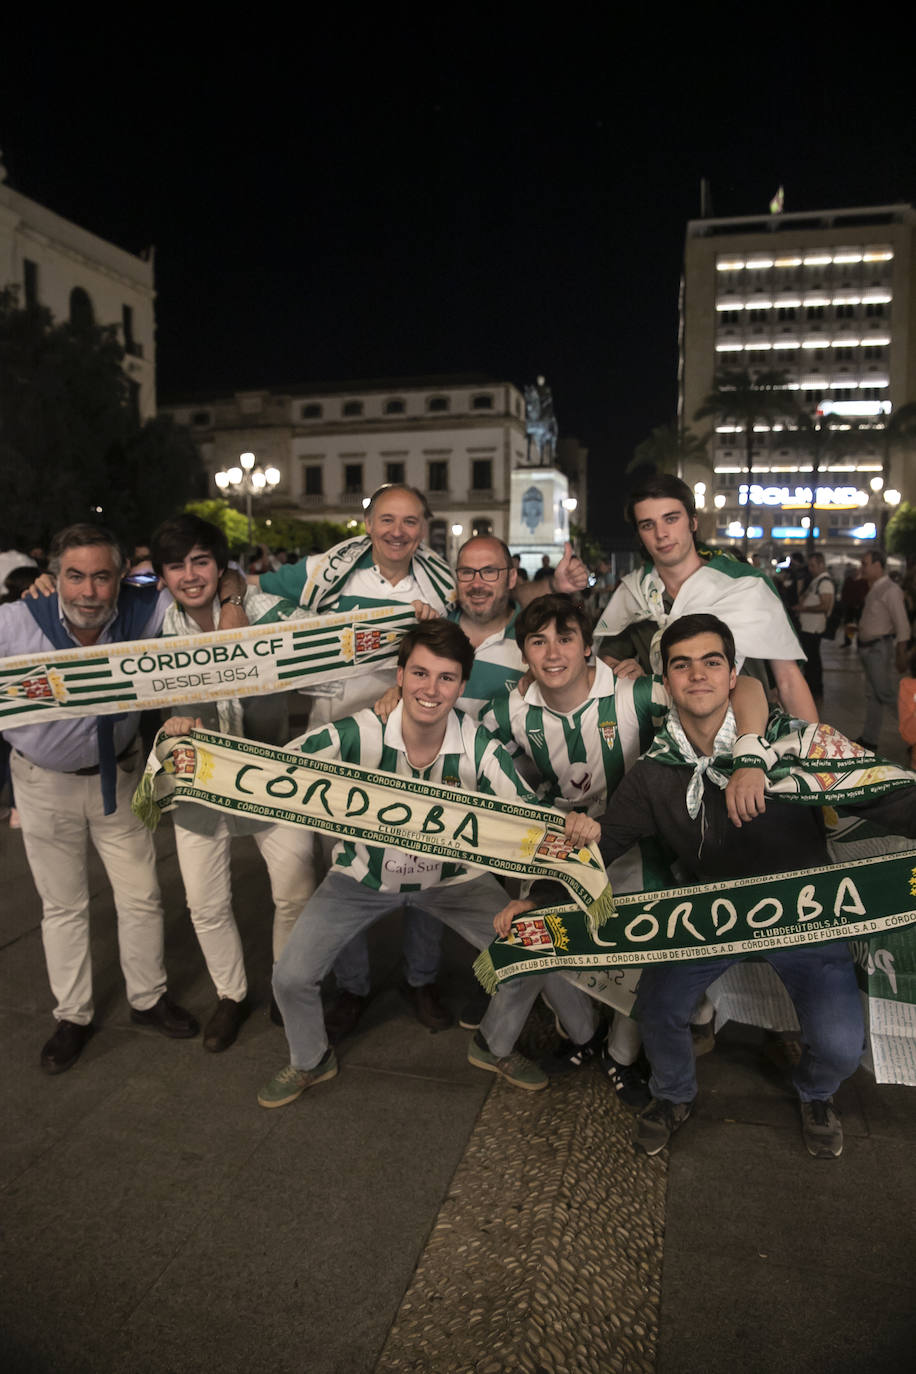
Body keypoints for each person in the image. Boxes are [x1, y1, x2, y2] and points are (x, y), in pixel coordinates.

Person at [505, 613, 916, 1160]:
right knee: (656, 1006)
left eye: (711, 662)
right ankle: (673, 1094)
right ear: (667, 682)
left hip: (805, 913)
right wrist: (533, 900)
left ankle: (816, 1093)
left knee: (842, 1046)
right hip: (709, 916)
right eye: (682, 665)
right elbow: (602, 851)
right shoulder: (654, 773)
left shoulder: (794, 746)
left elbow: (891, 794)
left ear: (732, 676)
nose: (697, 675)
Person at [257, 620, 597, 1108]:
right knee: (290, 976)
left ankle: (493, 1045)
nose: (431, 689)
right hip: (361, 877)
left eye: (446, 678)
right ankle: (310, 1059)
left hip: (454, 881)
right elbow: (270, 767)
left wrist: (572, 827)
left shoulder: (478, 744)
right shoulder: (359, 731)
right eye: (419, 674)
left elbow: (528, 811)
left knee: (528, 956)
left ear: (462, 684)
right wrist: (195, 746)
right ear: (399, 675)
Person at [480, 594, 768, 1106]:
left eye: (565, 639)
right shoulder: (510, 708)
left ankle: (620, 1054)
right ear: (522, 653)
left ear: (588, 647)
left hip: (635, 841)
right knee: (541, 935)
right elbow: (466, 749)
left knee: (642, 950)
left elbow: (740, 685)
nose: (552, 654)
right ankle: (583, 1034)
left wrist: (749, 754)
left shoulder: (634, 694)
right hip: (563, 846)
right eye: (538, 642)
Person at [0, 524, 206, 1073]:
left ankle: (148, 999)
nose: (88, 592)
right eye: (73, 576)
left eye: (100, 576)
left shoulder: (143, 610)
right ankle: (72, 1015)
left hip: (119, 776)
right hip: (42, 783)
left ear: (121, 578)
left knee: (141, 895)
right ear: (53, 576)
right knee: (62, 905)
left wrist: (230, 589)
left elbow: (203, 581)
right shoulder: (15, 621)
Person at [254, 484, 457, 1038]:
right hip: (339, 747)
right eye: (387, 519)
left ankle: (420, 980)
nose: (398, 532)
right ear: (366, 523)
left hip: (418, 749)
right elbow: (254, 590)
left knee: (424, 862)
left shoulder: (441, 584)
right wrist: (242, 609)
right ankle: (354, 986)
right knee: (343, 866)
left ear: (424, 528)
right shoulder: (330, 570)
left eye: (411, 522)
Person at [151, 514, 318, 1052]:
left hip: (271, 773)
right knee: (203, 902)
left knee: (294, 892)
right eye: (176, 566)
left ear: (220, 566)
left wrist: (238, 599)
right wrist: (169, 726)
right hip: (199, 784)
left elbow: (331, 642)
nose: (190, 575)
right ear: (162, 576)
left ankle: (283, 984)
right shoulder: (159, 628)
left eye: (201, 561)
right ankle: (231, 995)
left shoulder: (269, 612)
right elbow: (139, 694)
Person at [593, 474, 817, 722]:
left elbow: (787, 680)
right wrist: (623, 672)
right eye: (648, 525)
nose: (661, 534)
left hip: (750, 740)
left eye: (671, 519)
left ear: (692, 522)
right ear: (640, 535)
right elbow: (606, 658)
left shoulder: (745, 585)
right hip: (669, 746)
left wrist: (815, 749)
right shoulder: (634, 593)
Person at [857, 549, 911, 750]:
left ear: (878, 565)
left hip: (879, 648)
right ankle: (869, 738)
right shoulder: (876, 588)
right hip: (869, 648)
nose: (862, 567)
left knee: (886, 693)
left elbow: (902, 624)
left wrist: (901, 653)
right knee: (874, 695)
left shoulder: (890, 589)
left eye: (865, 563)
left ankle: (913, 730)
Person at [794, 551, 835, 701]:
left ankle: (815, 688)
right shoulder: (816, 581)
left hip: (814, 628)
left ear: (821, 564)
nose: (810, 568)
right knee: (811, 660)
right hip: (809, 627)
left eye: (813, 565)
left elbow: (825, 605)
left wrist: (803, 609)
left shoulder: (824, 582)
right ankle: (813, 687)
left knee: (813, 660)